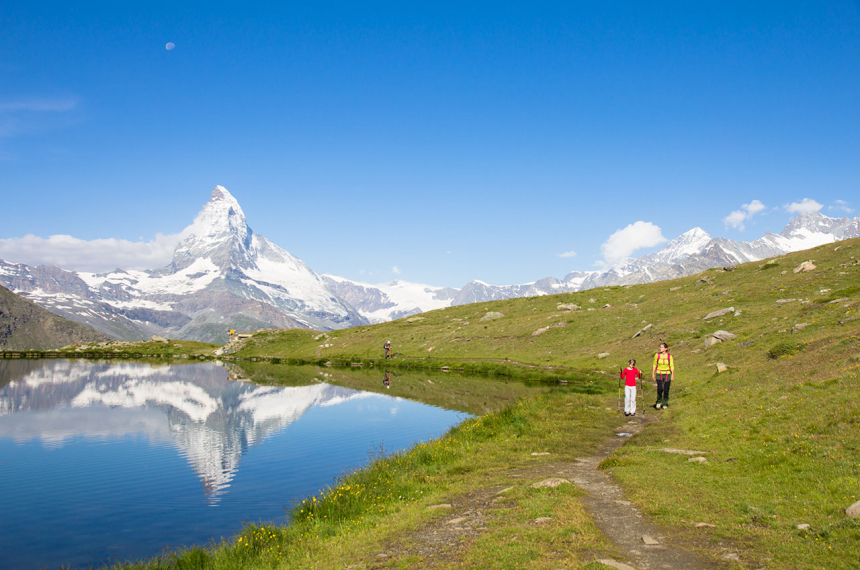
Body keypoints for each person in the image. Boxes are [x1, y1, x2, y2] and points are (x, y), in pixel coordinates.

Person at [652, 342, 674, 409]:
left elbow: (672, 366)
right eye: (660, 347)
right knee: (660, 388)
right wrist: (653, 373)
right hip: (659, 373)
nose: (660, 348)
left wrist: (672, 375)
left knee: (666, 389)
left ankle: (665, 403)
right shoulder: (657, 355)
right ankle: (658, 402)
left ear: (666, 349)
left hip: (667, 374)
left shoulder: (669, 356)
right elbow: (654, 364)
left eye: (662, 347)